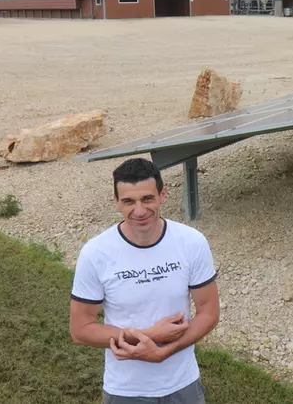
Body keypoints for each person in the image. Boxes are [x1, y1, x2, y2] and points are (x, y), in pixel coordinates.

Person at [69, 158, 219, 404]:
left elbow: (208, 312)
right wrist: (149, 334)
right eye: (128, 201)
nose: (139, 211)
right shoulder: (96, 253)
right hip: (126, 391)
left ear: (163, 195)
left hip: (184, 384)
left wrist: (162, 352)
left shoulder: (192, 242)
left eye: (147, 199)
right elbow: (80, 330)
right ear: (116, 202)